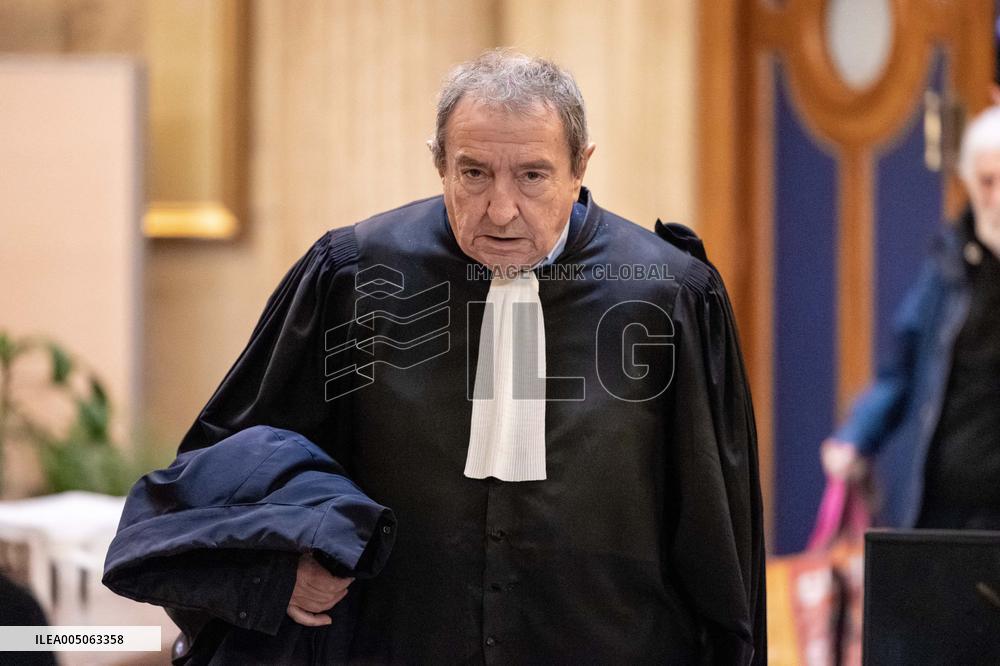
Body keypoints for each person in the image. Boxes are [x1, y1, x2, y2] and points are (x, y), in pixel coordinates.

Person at [155, 49, 765, 663]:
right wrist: (275, 568)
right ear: (438, 163)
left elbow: (718, 540)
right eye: (474, 174)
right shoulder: (355, 277)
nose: (501, 210)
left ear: (580, 167)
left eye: (532, 176)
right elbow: (231, 469)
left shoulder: (671, 297)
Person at [821, 105, 1000, 530]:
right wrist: (856, 436)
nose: (996, 197)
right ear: (970, 185)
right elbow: (901, 370)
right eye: (987, 182)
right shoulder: (949, 266)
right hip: (944, 508)